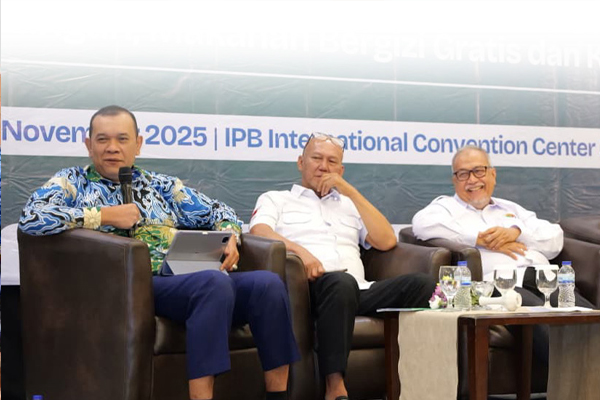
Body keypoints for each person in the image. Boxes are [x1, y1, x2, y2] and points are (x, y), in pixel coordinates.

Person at [19, 105, 299, 400]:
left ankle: (277, 396)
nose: (112, 148)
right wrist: (103, 216)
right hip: (125, 288)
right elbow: (32, 218)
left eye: (122, 139)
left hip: (183, 279)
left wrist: (231, 235)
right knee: (213, 282)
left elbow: (220, 210)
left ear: (138, 144)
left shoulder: (161, 186)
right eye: (102, 139)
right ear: (89, 145)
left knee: (266, 285)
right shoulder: (73, 182)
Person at [249, 132, 436, 400]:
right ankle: (334, 386)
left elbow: (386, 240)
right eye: (316, 158)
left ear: (341, 170)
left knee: (424, 285)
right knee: (340, 282)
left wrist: (350, 191)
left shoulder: (349, 204)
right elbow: (259, 231)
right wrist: (301, 253)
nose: (323, 167)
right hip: (311, 289)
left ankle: (416, 384)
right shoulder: (276, 199)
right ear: (301, 162)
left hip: (359, 291)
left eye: (332, 161)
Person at [412, 145, 595, 360]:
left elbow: (554, 238)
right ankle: (571, 370)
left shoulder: (511, 209)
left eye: (479, 171)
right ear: (454, 180)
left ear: (493, 174)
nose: (472, 180)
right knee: (539, 316)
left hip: (542, 277)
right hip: (502, 285)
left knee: (584, 315)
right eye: (463, 174)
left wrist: (517, 233)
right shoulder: (446, 208)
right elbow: (421, 225)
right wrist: (480, 238)